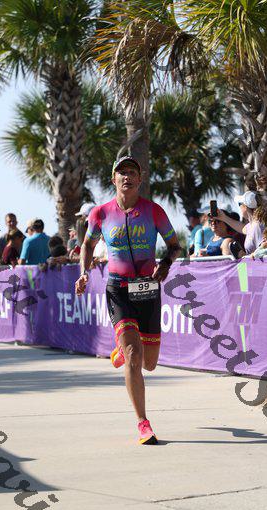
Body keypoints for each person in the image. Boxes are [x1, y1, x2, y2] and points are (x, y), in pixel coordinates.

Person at [75, 156, 181, 445]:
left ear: (140, 179)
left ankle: (123, 348)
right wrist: (84, 273)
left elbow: (174, 246)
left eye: (132, 172)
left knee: (150, 363)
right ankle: (143, 424)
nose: (127, 177)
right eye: (121, 172)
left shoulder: (154, 211)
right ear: (114, 179)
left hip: (148, 288)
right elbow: (87, 244)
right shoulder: (100, 213)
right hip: (118, 289)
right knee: (134, 355)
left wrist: (165, 264)